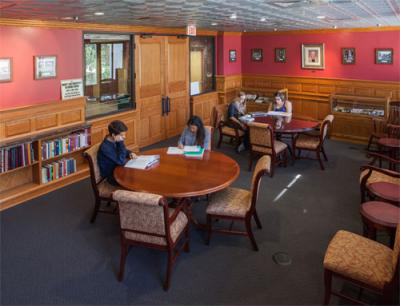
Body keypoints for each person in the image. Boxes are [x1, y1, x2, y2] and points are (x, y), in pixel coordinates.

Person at [98, 120, 136, 185]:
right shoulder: (105, 147)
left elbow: (123, 151)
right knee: (135, 179)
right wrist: (121, 142)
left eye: (124, 134)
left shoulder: (113, 139)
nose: (124, 137)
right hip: (111, 176)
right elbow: (121, 161)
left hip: (118, 169)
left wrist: (130, 153)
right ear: (113, 135)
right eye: (122, 135)